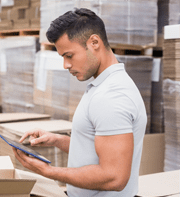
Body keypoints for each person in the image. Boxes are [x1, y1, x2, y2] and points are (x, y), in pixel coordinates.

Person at [13, 8, 147, 197]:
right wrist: (57, 140)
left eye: (69, 55)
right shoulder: (103, 86)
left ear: (94, 42)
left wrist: (48, 171)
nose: (66, 65)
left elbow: (114, 177)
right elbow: (99, 149)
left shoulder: (112, 96)